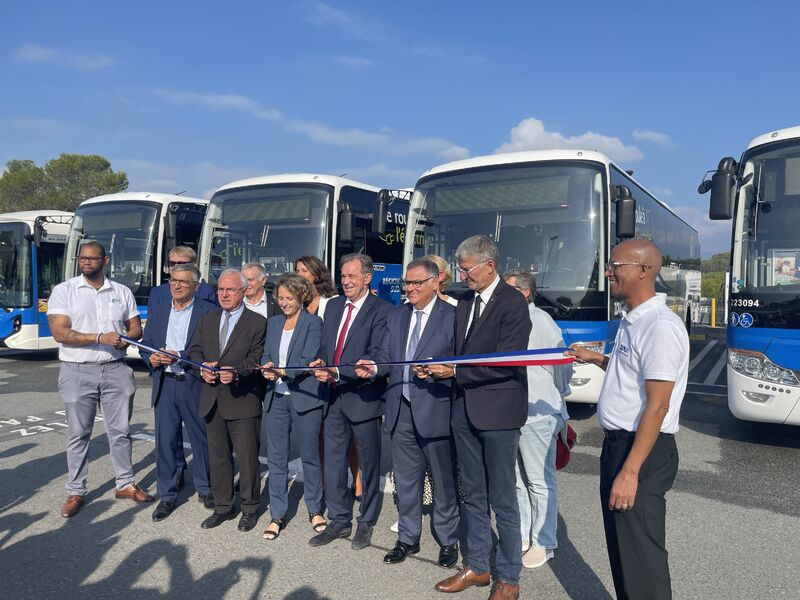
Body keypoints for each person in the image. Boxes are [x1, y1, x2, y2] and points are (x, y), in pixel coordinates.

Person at [568, 240, 688, 600]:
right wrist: (594, 358)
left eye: (615, 265)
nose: (608, 272)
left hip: (643, 451)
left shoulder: (659, 327)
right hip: (621, 446)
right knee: (623, 552)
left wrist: (631, 471)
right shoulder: (631, 322)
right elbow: (633, 372)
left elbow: (658, 405)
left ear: (644, 271)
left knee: (641, 559)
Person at [428, 235, 531, 600]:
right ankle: (478, 566)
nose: (462, 274)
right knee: (472, 493)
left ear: (489, 265)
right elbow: (457, 349)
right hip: (464, 411)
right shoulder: (465, 303)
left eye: (466, 268)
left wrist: (454, 372)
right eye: (460, 267)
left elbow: (507, 360)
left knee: (503, 498)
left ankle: (509, 578)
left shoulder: (513, 304)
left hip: (499, 414)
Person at [356, 258, 460, 568]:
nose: (409, 289)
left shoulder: (453, 316)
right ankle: (407, 538)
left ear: (434, 283)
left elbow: (463, 362)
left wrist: (447, 371)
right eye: (406, 283)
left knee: (443, 482)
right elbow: (387, 355)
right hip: (400, 409)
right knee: (406, 481)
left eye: (415, 283)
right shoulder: (398, 315)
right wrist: (373, 367)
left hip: (436, 410)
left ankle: (448, 539)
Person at [47, 241, 154, 518]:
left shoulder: (121, 291)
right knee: (79, 434)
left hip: (116, 368)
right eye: (83, 258)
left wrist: (125, 339)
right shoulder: (64, 291)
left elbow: (135, 328)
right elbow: (60, 333)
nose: (87, 263)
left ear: (105, 260)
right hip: (77, 370)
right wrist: (98, 337)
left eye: (93, 259)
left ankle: (125, 483)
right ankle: (76, 490)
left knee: (120, 432)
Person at [307, 253, 390, 551]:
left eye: (352, 276)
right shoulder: (333, 307)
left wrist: (337, 370)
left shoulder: (382, 310)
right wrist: (320, 360)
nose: (346, 281)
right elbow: (327, 345)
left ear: (368, 278)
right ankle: (339, 521)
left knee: (368, 464)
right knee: (334, 462)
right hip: (333, 397)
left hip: (363, 398)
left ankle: (365, 521)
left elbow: (378, 354)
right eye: (343, 276)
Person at [187, 269, 267, 532]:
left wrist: (235, 373)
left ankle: (250, 507)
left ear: (244, 292)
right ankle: (223, 506)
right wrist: (202, 367)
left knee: (246, 458)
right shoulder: (208, 319)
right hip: (212, 398)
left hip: (242, 399)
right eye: (220, 289)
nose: (224, 294)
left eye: (230, 289)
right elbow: (194, 350)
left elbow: (257, 358)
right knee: (218, 457)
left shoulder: (257, 322)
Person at [139, 264, 219, 521]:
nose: (176, 285)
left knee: (201, 438)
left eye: (183, 282)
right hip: (165, 383)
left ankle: (205, 489)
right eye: (173, 280)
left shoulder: (208, 311)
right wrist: (150, 358)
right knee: (166, 441)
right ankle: (167, 495)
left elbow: (212, 349)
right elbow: (146, 344)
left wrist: (181, 356)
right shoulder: (160, 309)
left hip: (193, 382)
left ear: (196, 287)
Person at [505, 270, 572, 568]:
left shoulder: (541, 321)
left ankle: (545, 541)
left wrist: (560, 401)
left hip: (538, 413)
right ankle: (522, 534)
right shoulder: (508, 321)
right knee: (518, 480)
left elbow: (562, 364)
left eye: (508, 291)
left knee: (539, 480)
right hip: (513, 412)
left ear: (525, 293)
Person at [260, 274, 326, 540]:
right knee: (277, 459)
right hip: (275, 397)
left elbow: (306, 359)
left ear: (301, 297)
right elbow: (266, 353)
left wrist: (281, 372)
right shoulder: (274, 323)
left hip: (304, 396)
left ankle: (315, 508)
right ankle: (277, 514)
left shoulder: (313, 322)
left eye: (290, 298)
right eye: (281, 298)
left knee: (309, 456)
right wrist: (266, 367)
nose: (284, 303)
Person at [295, 255, 362, 503]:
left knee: (348, 436)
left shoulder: (332, 302)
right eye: (297, 270)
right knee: (320, 434)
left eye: (304, 270)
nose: (299, 274)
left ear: (315, 274)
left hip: (333, 375)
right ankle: (326, 482)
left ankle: (357, 481)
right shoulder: (297, 304)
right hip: (309, 376)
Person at [149, 246, 216, 305]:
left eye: (181, 263)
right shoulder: (158, 293)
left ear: (194, 264)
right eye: (172, 263)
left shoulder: (206, 291)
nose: (176, 266)